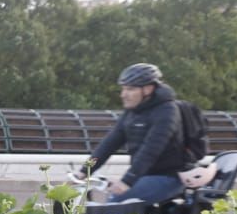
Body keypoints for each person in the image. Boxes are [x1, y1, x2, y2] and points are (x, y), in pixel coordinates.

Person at [77, 63, 196, 205]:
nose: (123, 95)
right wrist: (84, 171)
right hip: (143, 176)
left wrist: (127, 182)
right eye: (123, 89)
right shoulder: (133, 112)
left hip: (169, 177)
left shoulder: (167, 111)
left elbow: (150, 150)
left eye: (130, 89)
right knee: (108, 202)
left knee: (117, 202)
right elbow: (108, 144)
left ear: (148, 89)